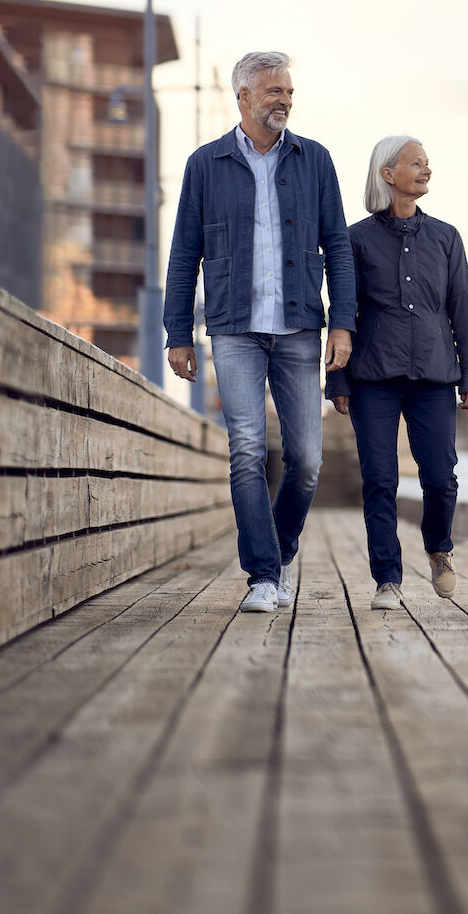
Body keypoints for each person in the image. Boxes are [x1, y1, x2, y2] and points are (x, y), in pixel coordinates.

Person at [164, 51, 356, 614]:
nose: (284, 101)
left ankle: (278, 548)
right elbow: (184, 255)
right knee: (246, 448)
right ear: (243, 96)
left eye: (289, 92)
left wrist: (342, 323)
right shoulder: (206, 164)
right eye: (273, 91)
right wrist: (179, 330)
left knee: (306, 461)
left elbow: (338, 247)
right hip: (232, 327)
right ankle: (263, 576)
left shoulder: (315, 160)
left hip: (299, 325)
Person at [325, 136, 468, 610]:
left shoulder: (446, 237)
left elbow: (464, 311)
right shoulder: (354, 239)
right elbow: (342, 312)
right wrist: (337, 379)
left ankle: (439, 548)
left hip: (434, 376)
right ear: (388, 174)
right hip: (373, 377)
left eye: (427, 163)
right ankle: (387, 579)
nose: (426, 170)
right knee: (379, 480)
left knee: (440, 477)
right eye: (416, 163)